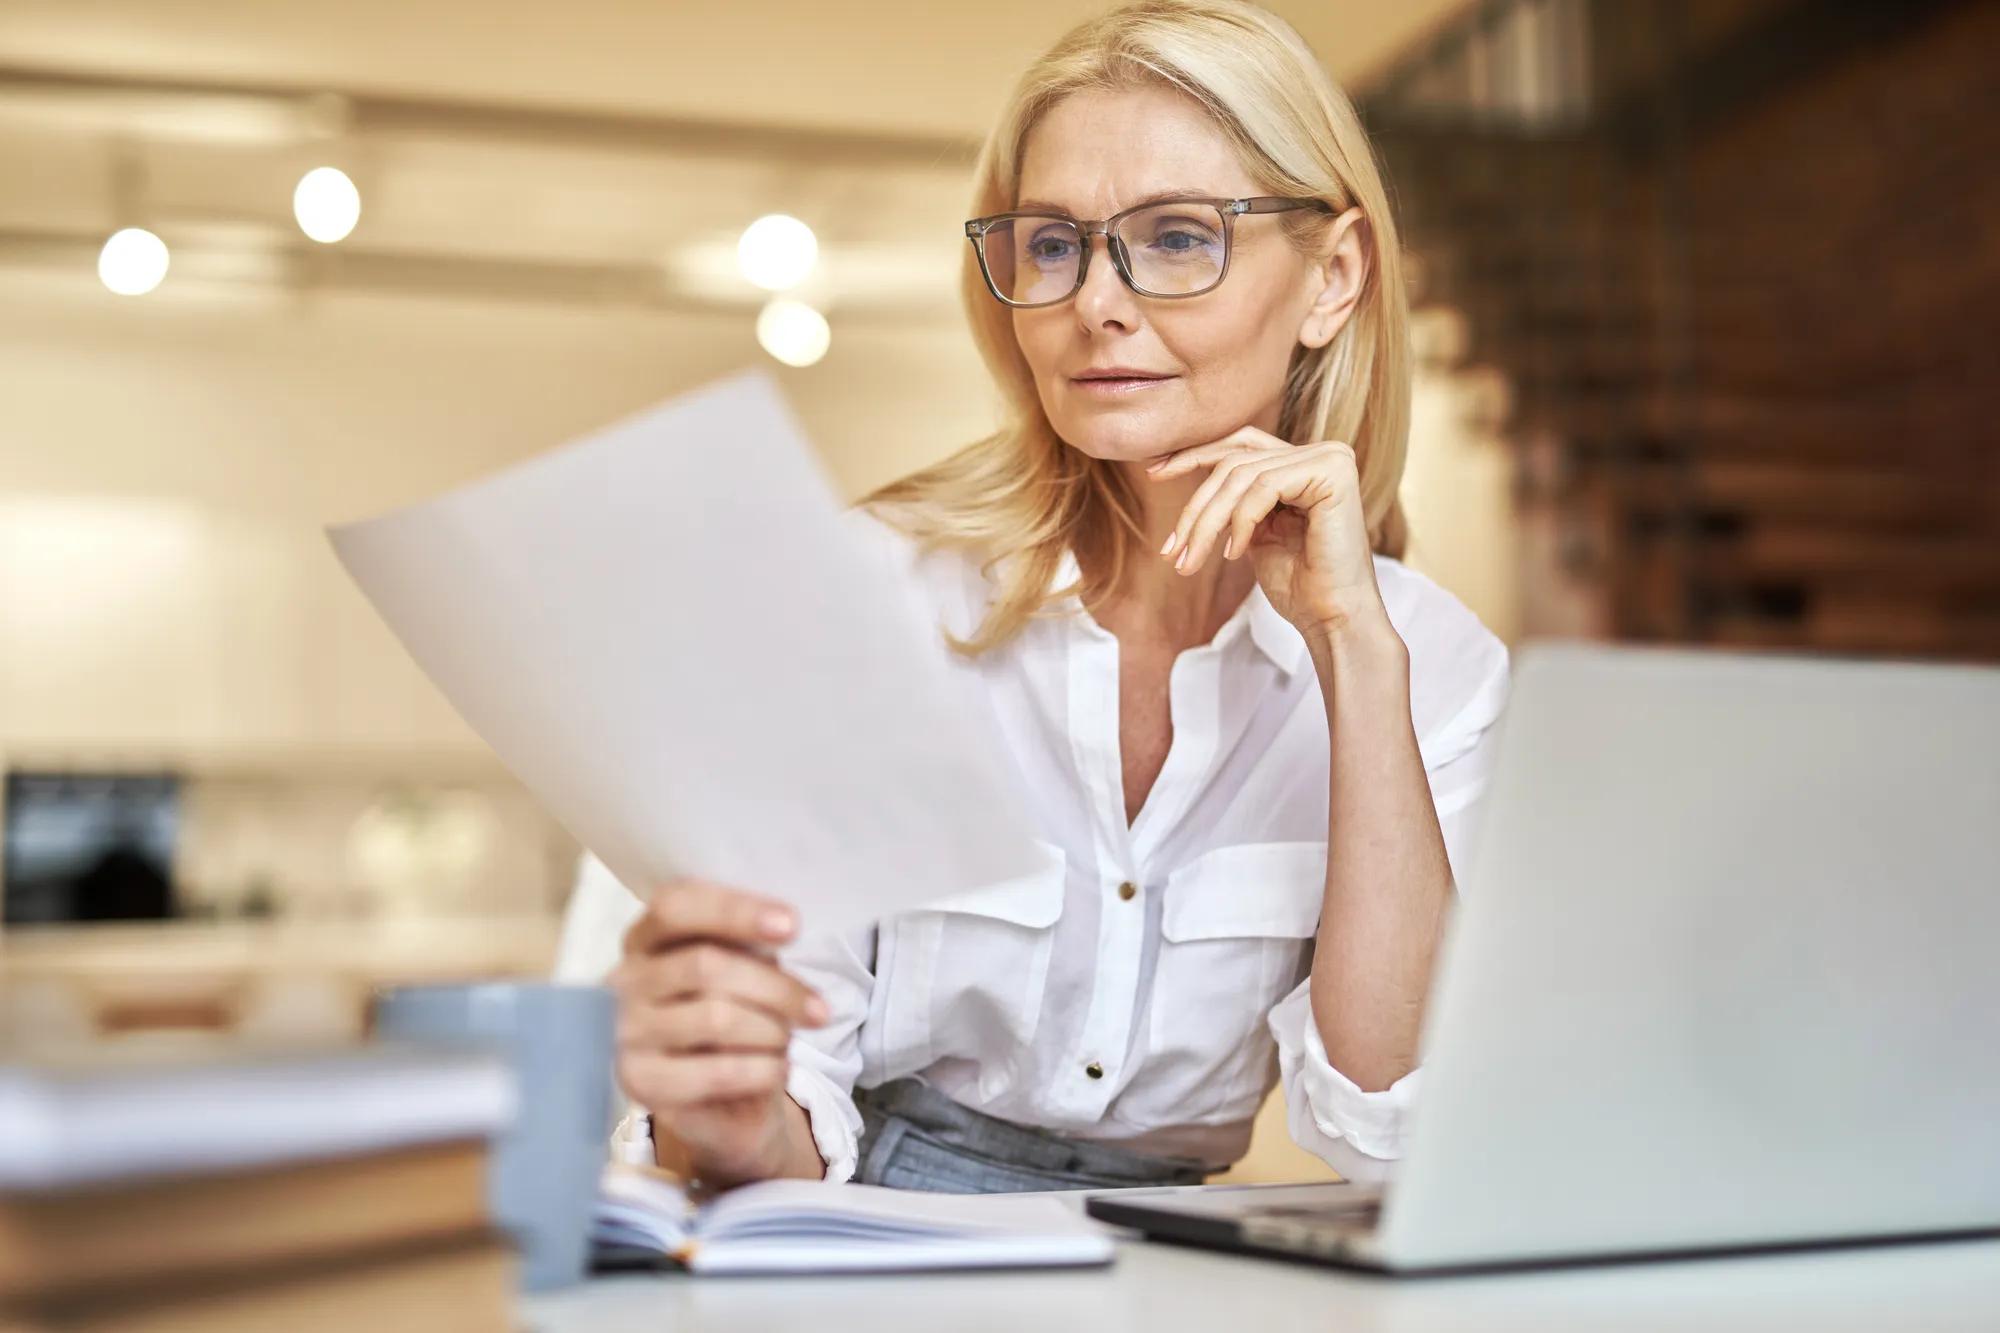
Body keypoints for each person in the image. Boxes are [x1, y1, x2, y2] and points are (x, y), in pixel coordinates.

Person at [555, 0, 1509, 1194]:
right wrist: (726, 1105)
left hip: (1177, 1256)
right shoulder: (874, 596)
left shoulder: (1428, 659)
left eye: (1174, 237)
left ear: (1332, 277)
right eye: (1051, 244)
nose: (1093, 303)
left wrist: (1354, 662)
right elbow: (754, 1144)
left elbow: (1393, 1135)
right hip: (855, 1224)